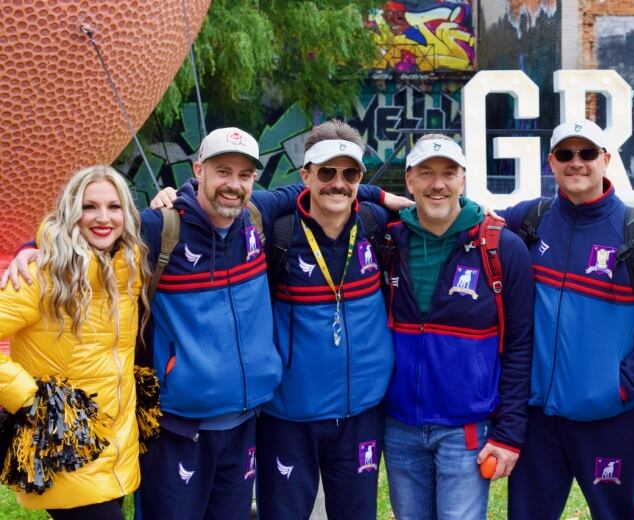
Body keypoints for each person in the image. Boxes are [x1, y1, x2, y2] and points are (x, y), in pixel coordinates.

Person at [0, 127, 306, 519]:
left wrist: (378, 196)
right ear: (199, 171)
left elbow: (309, 190)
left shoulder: (127, 264)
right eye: (222, 171)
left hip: (149, 438)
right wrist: (33, 248)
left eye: (244, 175)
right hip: (133, 435)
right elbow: (63, 238)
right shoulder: (151, 234)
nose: (233, 184)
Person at [499, 119, 634, 519]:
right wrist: (377, 196)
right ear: (551, 163)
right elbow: (459, 217)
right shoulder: (529, 219)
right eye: (565, 154)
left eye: (587, 153)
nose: (576, 162)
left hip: (612, 418)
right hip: (537, 417)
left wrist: (622, 385)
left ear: (606, 160)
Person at [382, 134, 535, 519]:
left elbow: (519, 346)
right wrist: (377, 196)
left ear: (462, 180)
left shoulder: (500, 246)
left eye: (448, 173)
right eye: (426, 173)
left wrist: (509, 433)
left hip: (466, 430)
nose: (438, 184)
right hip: (399, 426)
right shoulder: (387, 240)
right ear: (409, 181)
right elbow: (335, 196)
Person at [254, 120, 395, 519]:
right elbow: (224, 206)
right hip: (288, 418)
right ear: (306, 176)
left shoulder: (375, 225)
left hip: (361, 417)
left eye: (350, 174)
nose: (338, 183)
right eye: (327, 172)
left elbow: (445, 210)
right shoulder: (277, 234)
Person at [0, 165, 148, 519]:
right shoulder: (39, 273)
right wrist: (29, 397)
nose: (103, 218)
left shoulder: (129, 267)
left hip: (116, 446)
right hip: (63, 447)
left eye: (114, 207)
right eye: (89, 206)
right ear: (71, 212)